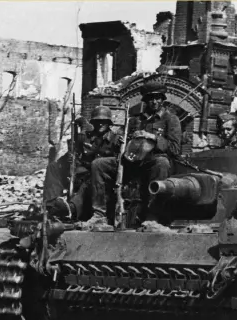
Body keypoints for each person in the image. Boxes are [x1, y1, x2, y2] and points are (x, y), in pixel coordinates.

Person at [82, 81, 182, 230]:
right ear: (145, 101)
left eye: (157, 98)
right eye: (150, 98)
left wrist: (153, 138)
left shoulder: (170, 119)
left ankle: (152, 217)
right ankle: (99, 215)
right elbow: (123, 143)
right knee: (99, 164)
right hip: (132, 162)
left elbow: (174, 149)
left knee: (162, 162)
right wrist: (122, 141)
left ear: (162, 99)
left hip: (152, 163)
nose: (154, 102)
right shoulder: (136, 120)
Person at [44, 106, 117, 221]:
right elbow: (73, 155)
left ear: (109, 123)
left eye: (104, 122)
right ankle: (51, 205)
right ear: (93, 122)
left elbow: (115, 166)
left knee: (89, 180)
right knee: (53, 167)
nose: (100, 124)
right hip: (82, 173)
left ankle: (71, 209)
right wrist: (70, 158)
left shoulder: (115, 140)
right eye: (97, 121)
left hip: (100, 179)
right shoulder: (87, 138)